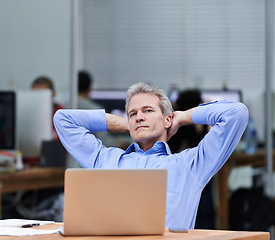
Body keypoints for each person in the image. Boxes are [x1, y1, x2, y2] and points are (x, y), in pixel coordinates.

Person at [53, 82, 248, 229]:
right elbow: (63, 119)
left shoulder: (190, 165)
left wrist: (182, 117)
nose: (139, 116)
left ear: (167, 120)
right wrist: (127, 125)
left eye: (148, 110)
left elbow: (236, 113)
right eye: (133, 113)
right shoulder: (106, 160)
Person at [167, 89, 214, 229]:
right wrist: (205, 122)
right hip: (186, 172)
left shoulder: (175, 122)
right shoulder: (183, 126)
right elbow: (200, 143)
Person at [31, 76, 65, 140]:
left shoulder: (62, 116)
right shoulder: (29, 115)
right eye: (35, 95)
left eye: (43, 95)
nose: (39, 99)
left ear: (53, 94)